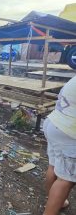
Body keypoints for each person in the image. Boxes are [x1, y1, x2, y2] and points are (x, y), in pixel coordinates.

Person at [43, 76, 76, 215]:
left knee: (54, 166)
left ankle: (56, 201)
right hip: (69, 131)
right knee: (66, 180)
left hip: (54, 123)